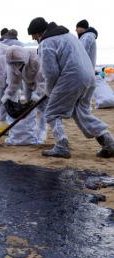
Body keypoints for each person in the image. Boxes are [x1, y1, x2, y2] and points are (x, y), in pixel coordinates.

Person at [27, 17, 114, 158]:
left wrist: (50, 91)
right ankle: (109, 143)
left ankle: (62, 146)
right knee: (82, 112)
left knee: (52, 112)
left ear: (38, 33)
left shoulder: (46, 43)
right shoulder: (69, 36)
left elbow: (51, 73)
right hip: (89, 77)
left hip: (71, 77)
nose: (33, 38)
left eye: (33, 35)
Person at [1, 46, 47, 145]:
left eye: (18, 63)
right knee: (29, 104)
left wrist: (37, 94)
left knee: (42, 108)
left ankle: (41, 134)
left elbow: (42, 81)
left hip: (43, 84)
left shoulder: (36, 59)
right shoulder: (11, 65)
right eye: (13, 63)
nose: (16, 65)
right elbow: (13, 83)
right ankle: (30, 134)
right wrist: (7, 95)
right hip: (27, 82)